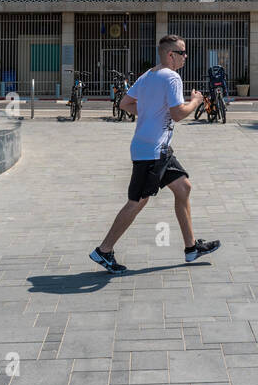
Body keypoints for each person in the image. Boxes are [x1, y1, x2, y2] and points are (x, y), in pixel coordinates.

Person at [89, 34, 222, 273]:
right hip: (151, 152)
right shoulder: (172, 77)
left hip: (159, 149)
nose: (186, 57)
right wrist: (196, 101)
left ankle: (191, 248)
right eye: (182, 53)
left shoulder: (148, 75)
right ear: (171, 55)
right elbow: (179, 114)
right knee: (137, 202)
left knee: (184, 187)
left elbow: (125, 104)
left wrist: (150, 112)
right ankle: (104, 250)